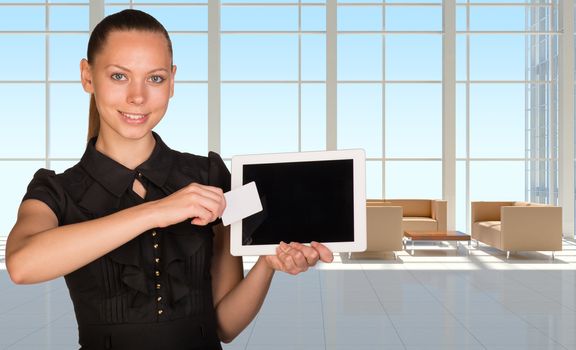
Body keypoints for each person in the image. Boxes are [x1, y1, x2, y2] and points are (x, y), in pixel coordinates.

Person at [5, 9, 333, 350]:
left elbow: (225, 326)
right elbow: (22, 265)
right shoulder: (56, 190)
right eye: (119, 76)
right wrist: (157, 211)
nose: (138, 97)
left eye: (155, 78)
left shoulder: (209, 176)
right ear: (87, 76)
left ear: (172, 81)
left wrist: (266, 265)